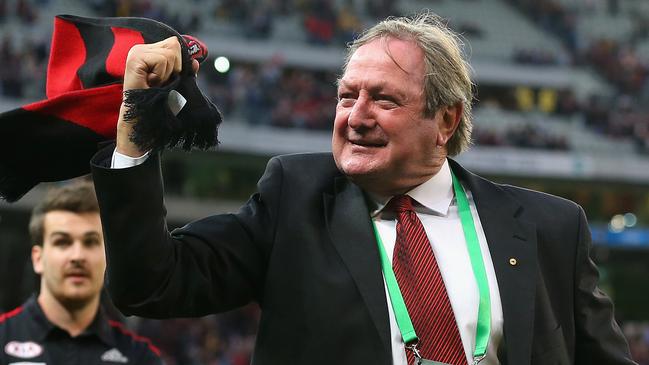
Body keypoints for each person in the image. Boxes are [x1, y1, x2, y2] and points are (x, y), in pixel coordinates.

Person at [89, 11, 636, 365]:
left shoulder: (550, 227)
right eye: (347, 96)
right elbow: (151, 285)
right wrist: (136, 133)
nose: (356, 117)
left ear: (446, 121)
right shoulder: (294, 199)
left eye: (384, 100)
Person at [0, 181, 163, 365]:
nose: (77, 256)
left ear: (109, 258)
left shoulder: (140, 357)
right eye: (62, 242)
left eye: (90, 242)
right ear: (38, 259)